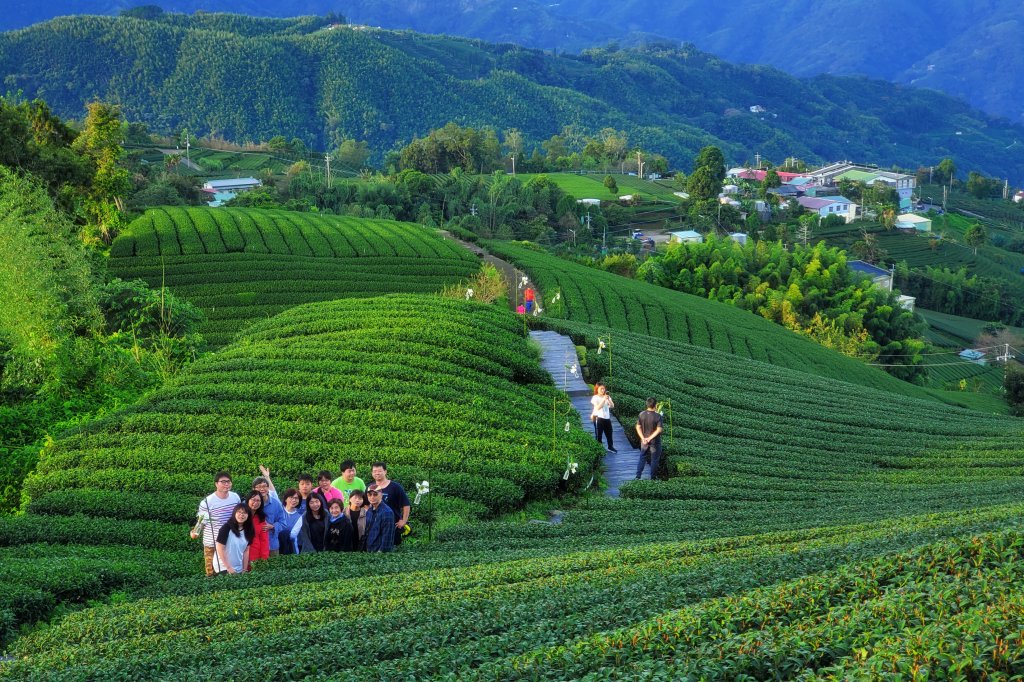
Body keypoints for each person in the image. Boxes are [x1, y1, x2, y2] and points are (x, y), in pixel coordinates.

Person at [191, 471, 241, 577]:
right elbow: (201, 522)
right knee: (211, 573)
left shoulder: (235, 497)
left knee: (229, 572)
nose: (226, 484)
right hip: (212, 542)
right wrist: (195, 533)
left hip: (229, 541)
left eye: (228, 481)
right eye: (223, 482)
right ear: (216, 484)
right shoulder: (207, 502)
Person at [370, 463, 410, 546]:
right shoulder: (370, 487)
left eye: (379, 471)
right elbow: (366, 504)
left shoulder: (395, 487)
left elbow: (406, 505)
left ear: (385, 471)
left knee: (393, 548)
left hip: (393, 525)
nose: (377, 473)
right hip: (375, 526)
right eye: (374, 471)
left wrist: (404, 521)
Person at [215, 503, 254, 575]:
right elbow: (220, 548)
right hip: (223, 567)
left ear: (248, 515)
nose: (241, 515)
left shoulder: (249, 530)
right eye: (239, 512)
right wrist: (229, 567)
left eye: (244, 513)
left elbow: (246, 550)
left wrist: (244, 569)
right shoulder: (226, 528)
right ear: (234, 513)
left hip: (238, 568)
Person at [253, 466, 284, 557]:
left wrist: (272, 526)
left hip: (272, 545)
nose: (262, 489)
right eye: (258, 487)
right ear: (253, 489)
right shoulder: (248, 503)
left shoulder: (276, 504)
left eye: (264, 486)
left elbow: (283, 523)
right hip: (254, 545)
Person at [635, 397, 664, 480]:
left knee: (642, 457)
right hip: (655, 442)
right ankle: (653, 478)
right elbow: (659, 429)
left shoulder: (641, 414)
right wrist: (649, 438)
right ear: (655, 405)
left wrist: (643, 438)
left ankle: (638, 476)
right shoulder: (658, 416)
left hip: (644, 441)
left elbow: (638, 427)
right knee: (654, 460)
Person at [364, 485, 395, 552]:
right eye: (369, 495)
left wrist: (380, 553)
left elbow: (387, 536)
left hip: (379, 552)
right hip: (369, 550)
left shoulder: (387, 512)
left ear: (381, 495)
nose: (372, 497)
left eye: (375, 494)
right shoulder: (369, 510)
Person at [274, 488, 304, 555]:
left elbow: (292, 535)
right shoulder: (279, 509)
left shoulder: (299, 517)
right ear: (285, 499)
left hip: (289, 546)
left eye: (296, 498)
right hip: (274, 543)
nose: (294, 500)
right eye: (291, 497)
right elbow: (273, 494)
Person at [245, 490, 271, 562]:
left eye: (258, 500)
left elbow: (264, 540)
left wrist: (264, 558)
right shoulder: (241, 516)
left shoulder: (261, 518)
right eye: (253, 500)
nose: (256, 503)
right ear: (248, 500)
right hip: (241, 554)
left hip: (256, 555)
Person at [591, 382, 617, 453]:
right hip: (599, 417)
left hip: (607, 418)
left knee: (609, 433)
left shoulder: (607, 396)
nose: (603, 390)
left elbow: (612, 406)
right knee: (599, 434)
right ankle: (599, 448)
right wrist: (603, 399)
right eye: (601, 389)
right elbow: (598, 407)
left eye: (603, 389)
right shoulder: (595, 397)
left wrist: (608, 400)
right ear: (597, 389)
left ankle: (610, 447)